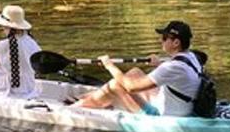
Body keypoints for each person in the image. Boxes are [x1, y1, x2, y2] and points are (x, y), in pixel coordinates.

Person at [74, 20, 203, 116]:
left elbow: (130, 87)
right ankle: (96, 97)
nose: (161, 41)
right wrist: (158, 64)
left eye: (164, 38)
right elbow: (179, 73)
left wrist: (109, 66)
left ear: (176, 43)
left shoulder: (172, 67)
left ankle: (76, 108)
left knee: (115, 84)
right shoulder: (191, 56)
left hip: (162, 115)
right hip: (180, 106)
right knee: (135, 72)